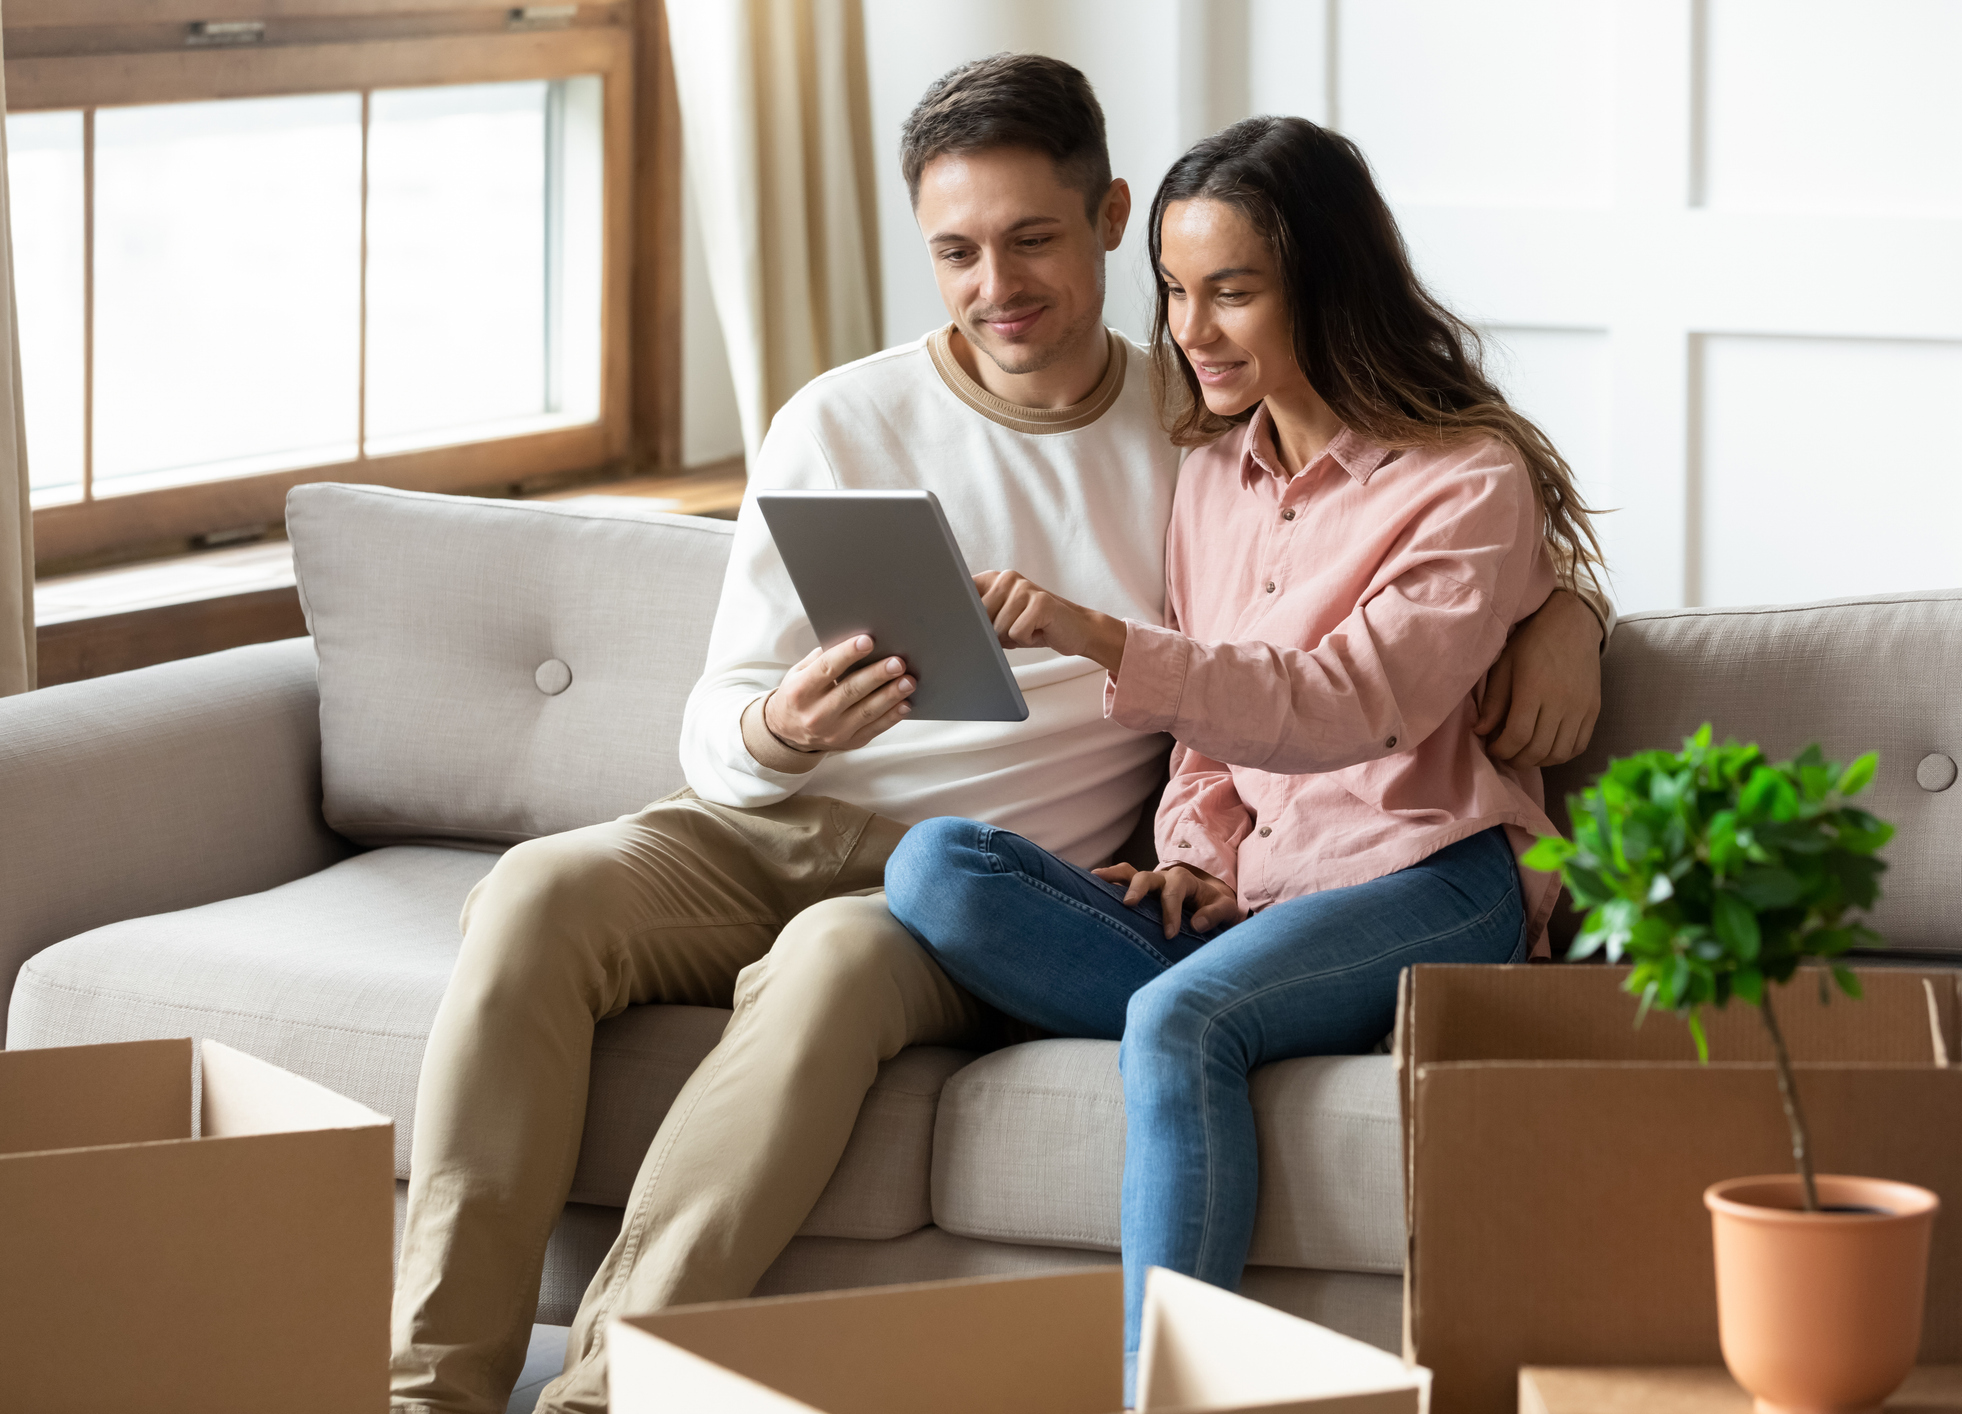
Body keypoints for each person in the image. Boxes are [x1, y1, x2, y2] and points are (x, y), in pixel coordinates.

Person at [390, 58, 1607, 1414]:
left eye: (1032, 238)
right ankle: (430, 1389)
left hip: (970, 869)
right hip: (768, 819)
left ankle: (601, 1394)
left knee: (840, 963)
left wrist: (1570, 608)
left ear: (1105, 218)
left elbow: (1388, 579)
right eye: (956, 252)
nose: (997, 285)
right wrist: (779, 727)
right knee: (533, 894)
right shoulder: (853, 419)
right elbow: (720, 715)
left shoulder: (1186, 423)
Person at [884, 114, 1608, 1388]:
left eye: (1232, 291)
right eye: (1173, 291)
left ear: (1324, 284)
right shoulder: (1214, 475)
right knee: (938, 868)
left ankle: (1163, 1390)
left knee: (1175, 1019)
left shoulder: (1465, 479)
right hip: (1263, 900)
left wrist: (1094, 633)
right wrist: (1194, 854)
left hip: (1435, 878)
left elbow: (1347, 701)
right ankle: (1272, 1004)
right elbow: (1208, 740)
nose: (1191, 332)